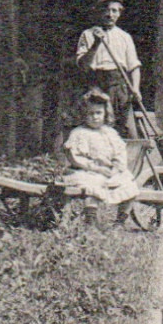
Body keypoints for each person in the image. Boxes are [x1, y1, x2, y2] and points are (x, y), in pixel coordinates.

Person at [62, 87, 140, 226]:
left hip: (109, 171)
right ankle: (91, 221)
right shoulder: (79, 133)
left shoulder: (110, 133)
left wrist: (116, 168)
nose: (95, 117)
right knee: (92, 186)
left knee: (129, 185)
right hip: (87, 171)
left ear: (105, 113)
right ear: (83, 114)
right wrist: (96, 168)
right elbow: (75, 157)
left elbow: (120, 153)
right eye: (90, 113)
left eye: (99, 113)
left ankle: (119, 222)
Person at [74, 0, 143, 139]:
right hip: (96, 85)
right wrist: (96, 43)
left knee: (126, 129)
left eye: (114, 11)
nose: (110, 14)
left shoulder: (125, 37)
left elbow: (134, 66)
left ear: (119, 13)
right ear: (99, 12)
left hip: (119, 85)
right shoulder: (88, 34)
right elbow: (83, 65)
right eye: (106, 10)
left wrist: (135, 88)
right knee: (98, 127)